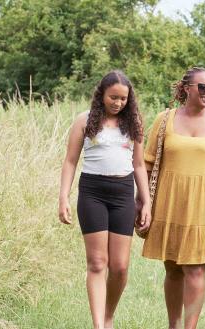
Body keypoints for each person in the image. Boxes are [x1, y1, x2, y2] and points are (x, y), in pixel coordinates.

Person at [141, 67, 205, 329]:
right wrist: (141, 202)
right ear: (186, 89)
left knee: (195, 269)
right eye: (203, 87)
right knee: (172, 268)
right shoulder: (164, 120)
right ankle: (174, 324)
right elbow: (147, 164)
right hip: (169, 202)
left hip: (203, 204)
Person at [58, 70, 151, 329]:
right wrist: (63, 196)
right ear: (102, 94)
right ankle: (99, 325)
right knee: (98, 262)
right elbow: (70, 161)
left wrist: (146, 202)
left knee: (120, 267)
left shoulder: (134, 124)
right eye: (113, 97)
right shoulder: (84, 121)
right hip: (92, 192)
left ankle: (108, 315)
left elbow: (140, 165)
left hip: (123, 193)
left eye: (123, 99)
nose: (118, 103)